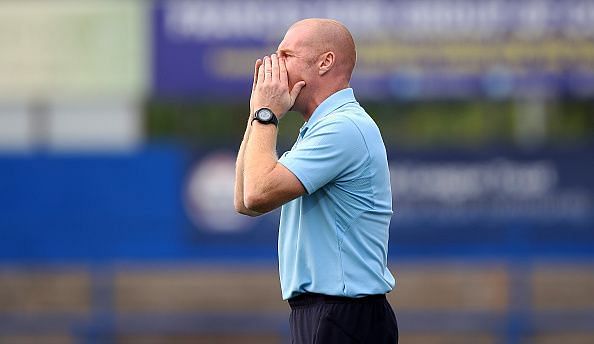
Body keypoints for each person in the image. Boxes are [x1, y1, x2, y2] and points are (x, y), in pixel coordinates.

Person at [234, 18, 398, 343]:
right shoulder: (320, 129)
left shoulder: (344, 127)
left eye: (286, 55)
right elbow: (243, 200)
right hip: (321, 314)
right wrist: (258, 114)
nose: (275, 67)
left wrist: (266, 114)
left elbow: (256, 193)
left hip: (345, 315)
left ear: (325, 63)